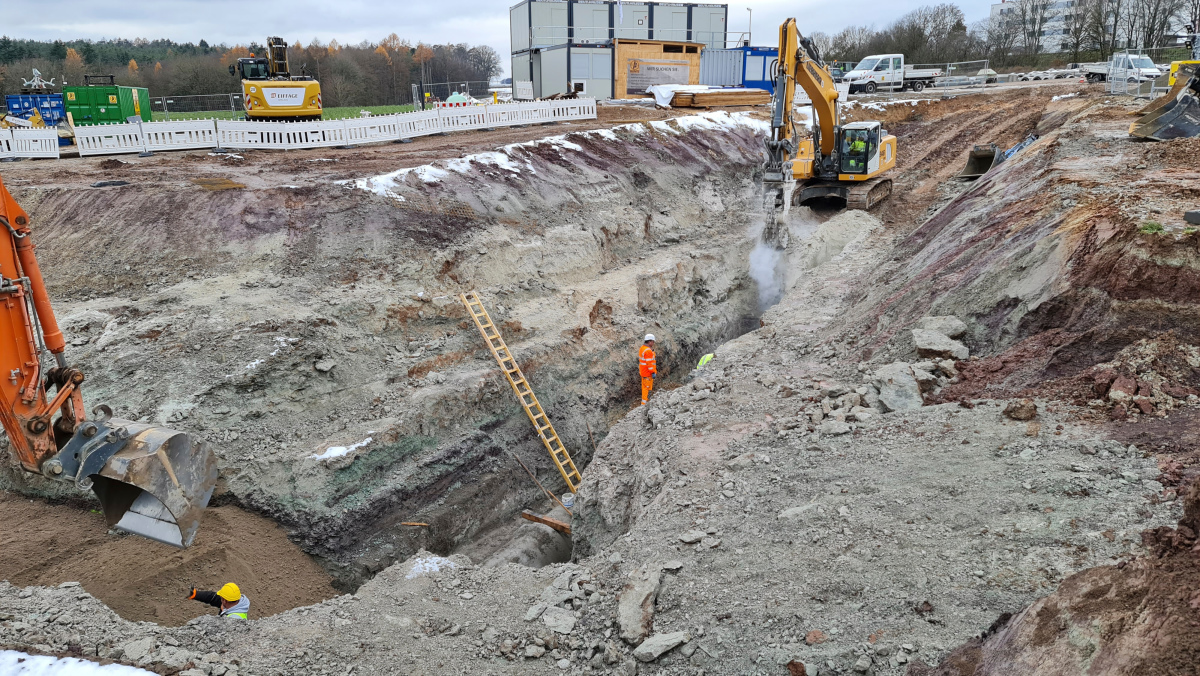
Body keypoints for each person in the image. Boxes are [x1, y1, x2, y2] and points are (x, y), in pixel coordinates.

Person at [639, 334, 657, 405]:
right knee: (647, 389)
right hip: (648, 373)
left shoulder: (642, 348)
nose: (653, 343)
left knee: (644, 388)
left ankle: (646, 401)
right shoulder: (648, 351)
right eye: (653, 342)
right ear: (649, 342)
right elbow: (649, 364)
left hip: (643, 372)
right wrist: (653, 372)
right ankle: (644, 404)